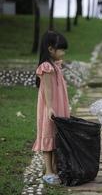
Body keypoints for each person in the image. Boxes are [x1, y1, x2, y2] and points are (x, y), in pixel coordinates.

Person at [32, 30, 70, 185]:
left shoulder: (55, 65)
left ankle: (54, 168)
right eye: (61, 48)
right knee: (48, 136)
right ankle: (48, 170)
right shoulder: (47, 67)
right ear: (50, 49)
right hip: (50, 107)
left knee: (56, 137)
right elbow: (47, 89)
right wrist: (49, 108)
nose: (64, 52)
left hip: (58, 106)